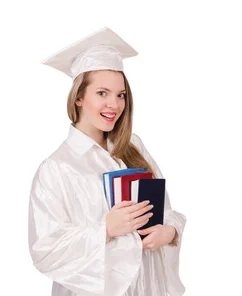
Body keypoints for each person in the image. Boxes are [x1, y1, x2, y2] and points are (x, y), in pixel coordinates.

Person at [28, 27, 186, 296]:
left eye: (120, 95)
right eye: (102, 93)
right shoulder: (57, 168)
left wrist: (169, 232)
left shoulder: (134, 148)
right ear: (79, 97)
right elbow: (45, 250)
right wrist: (105, 229)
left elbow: (168, 211)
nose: (114, 104)